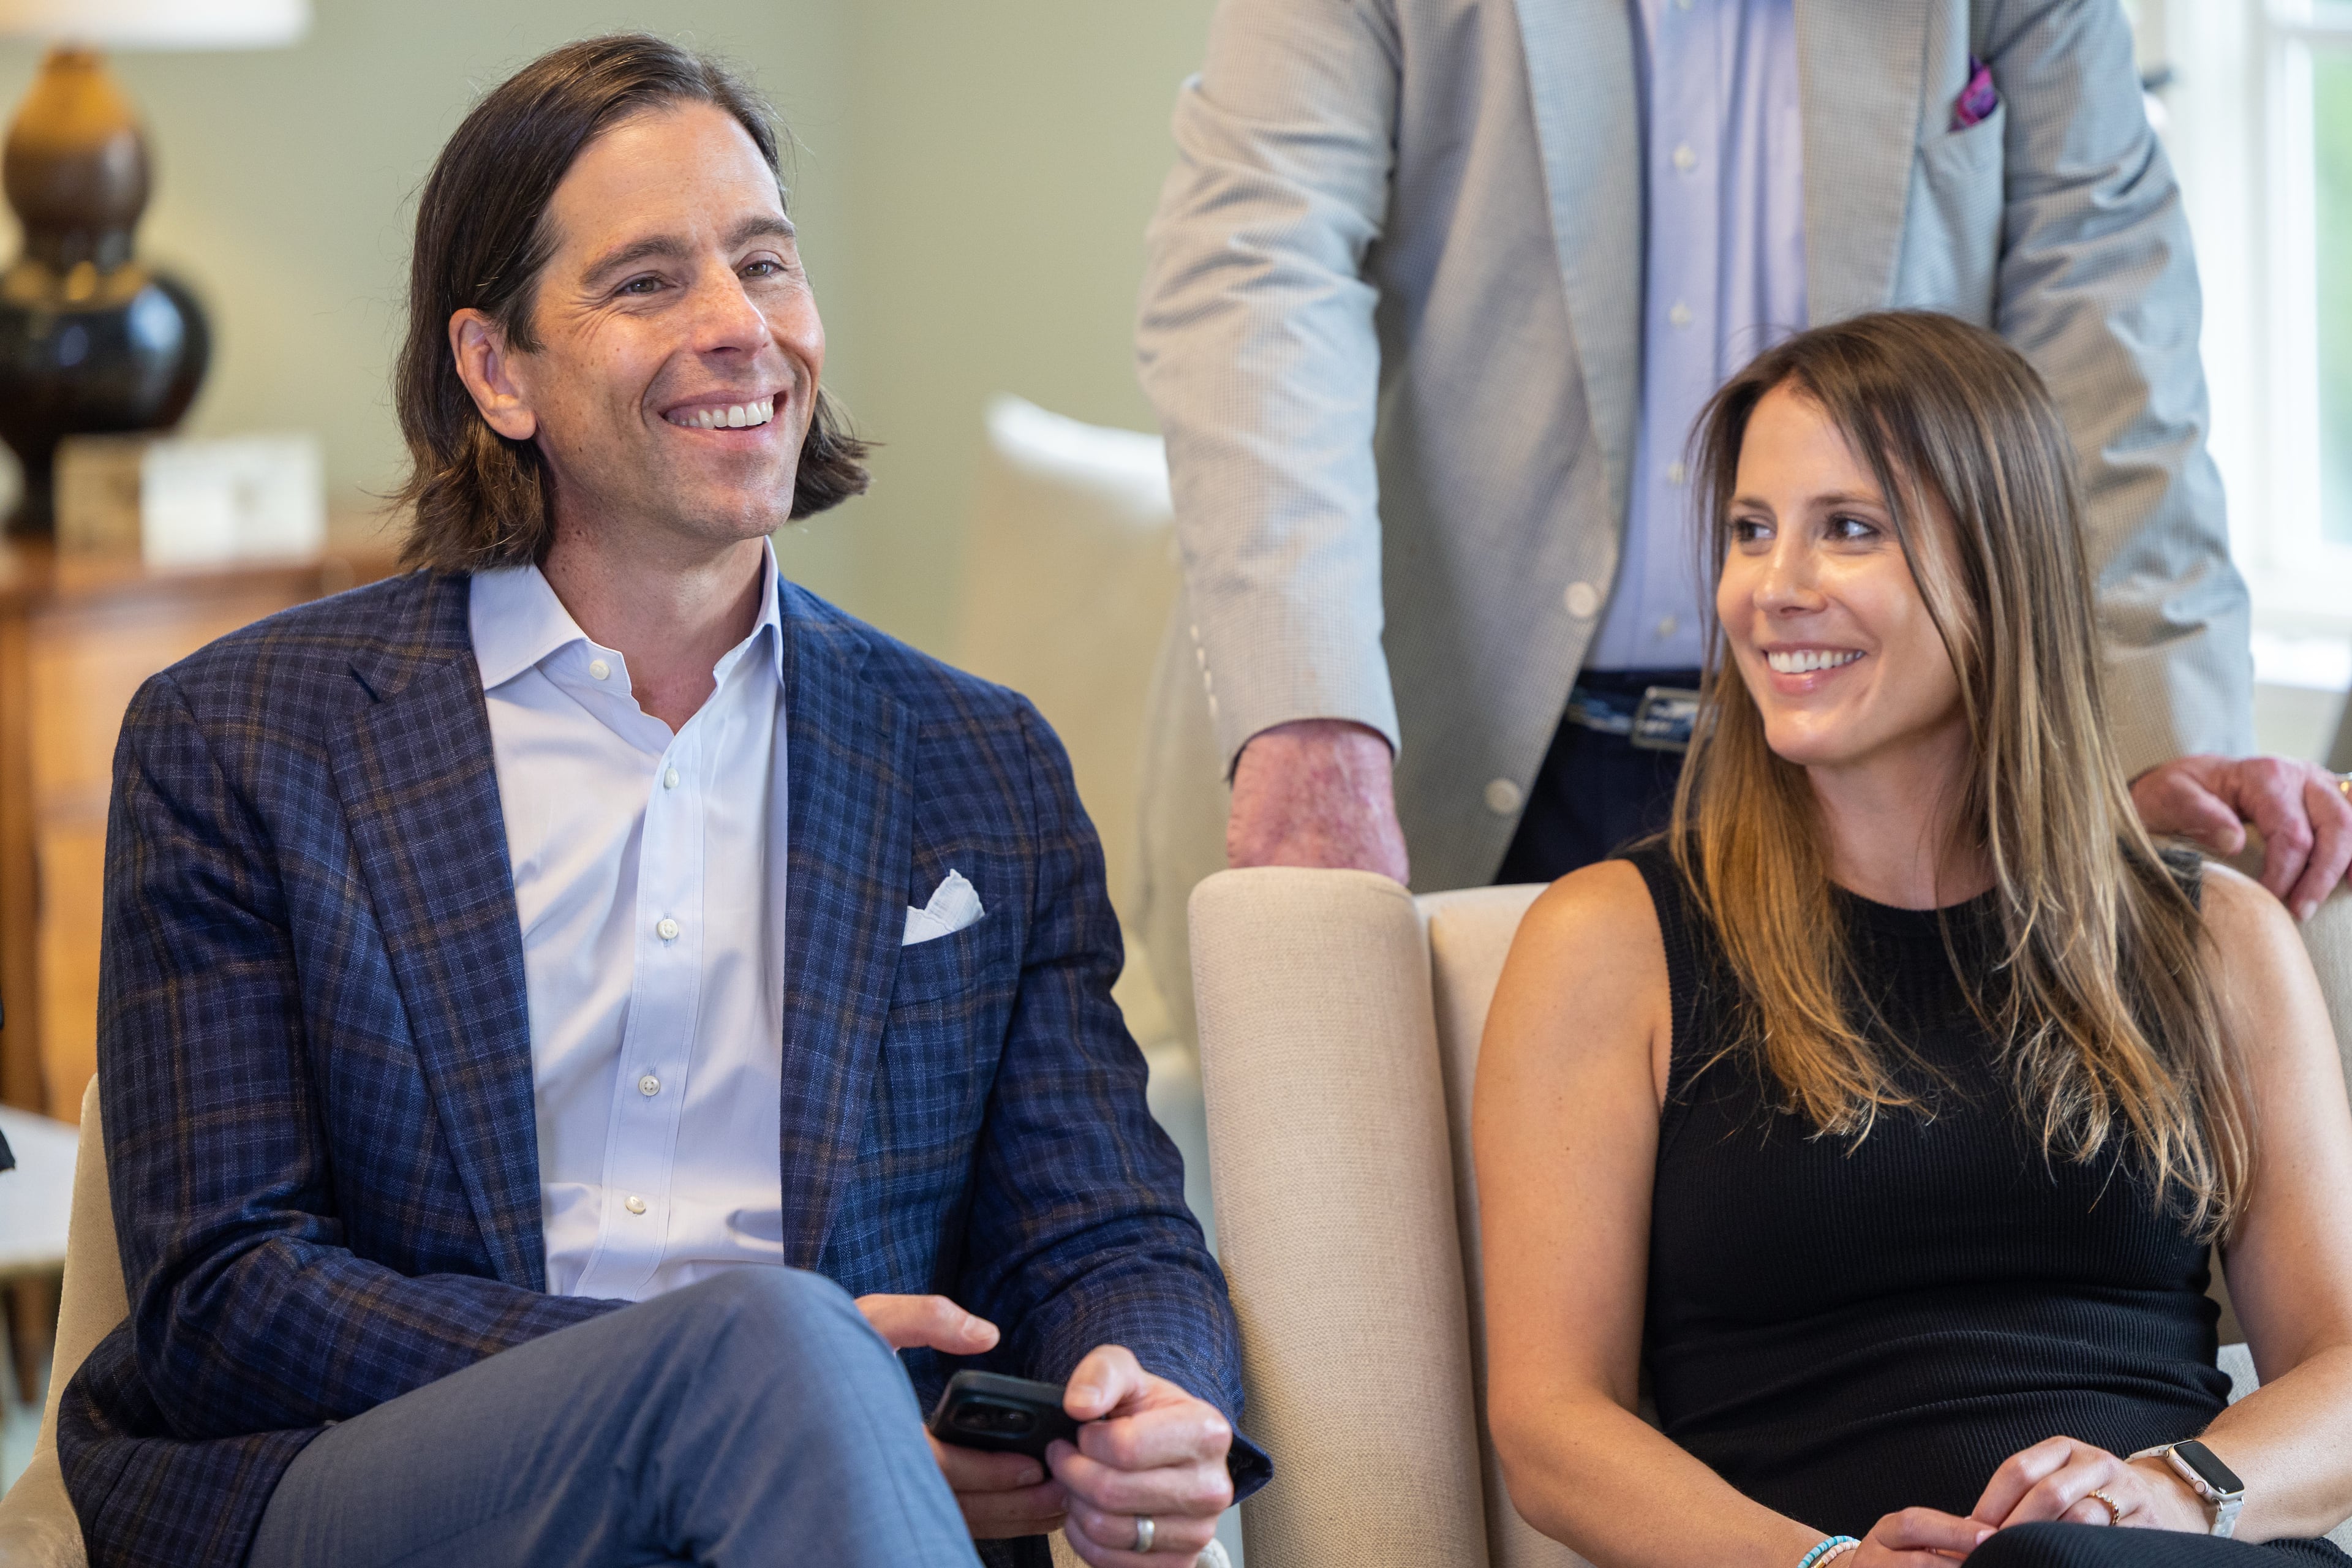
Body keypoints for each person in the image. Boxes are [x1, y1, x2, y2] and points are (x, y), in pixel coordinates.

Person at [55, 36, 1262, 1568]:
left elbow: (1105, 1229)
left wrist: (1140, 1391)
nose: (739, 326)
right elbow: (225, 1294)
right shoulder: (241, 740)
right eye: (645, 283)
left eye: (764, 262)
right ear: (496, 370)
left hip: (819, 1506)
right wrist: (755, 1374)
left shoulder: (978, 762)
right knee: (774, 1343)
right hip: (364, 1491)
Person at [1131, 0, 2352, 1040]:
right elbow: (1257, 273)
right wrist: (1313, 717)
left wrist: (2151, 747)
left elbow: (2112, 349)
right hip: (1434, 760)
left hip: (1882, 780)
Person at [1473, 312, 2352, 1568]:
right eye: (1749, 529)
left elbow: (2344, 1367)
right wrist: (1822, 1567)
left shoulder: (2208, 933)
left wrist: (2174, 1486)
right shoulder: (1611, 940)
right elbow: (1552, 1424)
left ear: (2001, 568)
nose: (1775, 589)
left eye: (1849, 527)